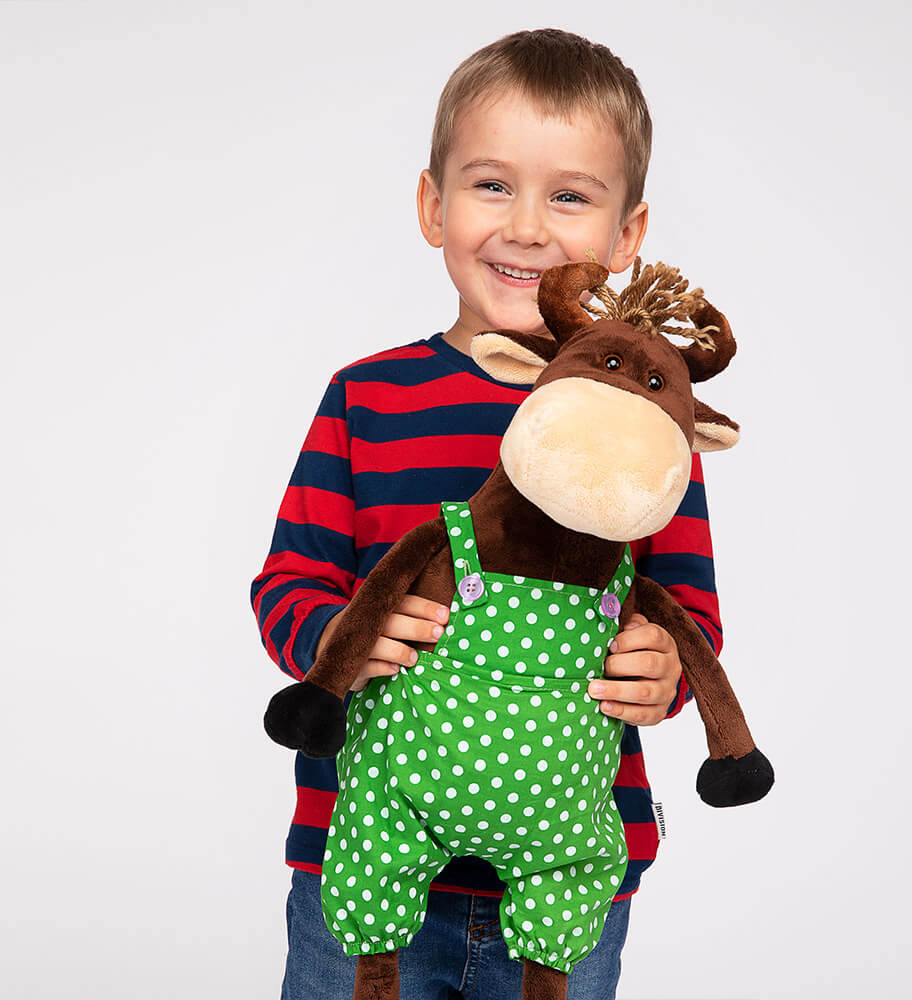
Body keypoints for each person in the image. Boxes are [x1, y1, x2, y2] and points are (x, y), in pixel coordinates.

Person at [252, 28, 725, 1000]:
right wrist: (335, 634)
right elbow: (288, 580)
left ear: (626, 235)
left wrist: (664, 671)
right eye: (492, 185)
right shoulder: (366, 397)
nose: (527, 227)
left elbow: (691, 613)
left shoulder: (645, 426)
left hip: (566, 880)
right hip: (364, 858)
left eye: (570, 196)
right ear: (434, 205)